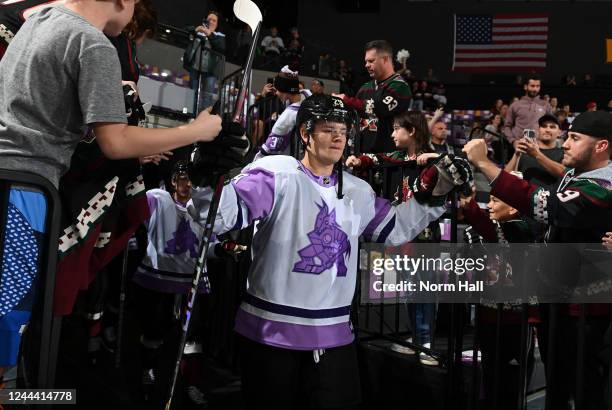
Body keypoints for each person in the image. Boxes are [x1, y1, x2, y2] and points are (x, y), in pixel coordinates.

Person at [187, 94, 471, 409]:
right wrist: (207, 182)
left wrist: (435, 194)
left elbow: (396, 230)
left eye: (343, 130)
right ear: (305, 134)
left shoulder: (357, 190)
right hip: (270, 336)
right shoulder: (275, 173)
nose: (338, 137)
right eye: (327, 129)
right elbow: (220, 217)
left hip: (334, 339)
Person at [0, 0, 222, 379]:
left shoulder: (40, 19)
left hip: (15, 184)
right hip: (25, 192)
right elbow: (115, 142)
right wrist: (196, 131)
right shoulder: (94, 43)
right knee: (7, 332)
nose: (136, 11)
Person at [463, 110, 612, 410]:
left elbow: (550, 206)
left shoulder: (604, 186)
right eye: (567, 135)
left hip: (584, 309)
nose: (565, 143)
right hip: (558, 302)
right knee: (558, 387)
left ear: (600, 146)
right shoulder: (575, 174)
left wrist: (485, 164)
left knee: (585, 390)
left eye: (574, 138)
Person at [133, 161, 245, 405]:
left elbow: (208, 247)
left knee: (192, 340)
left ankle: (191, 383)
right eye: (184, 178)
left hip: (192, 283)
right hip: (159, 280)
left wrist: (224, 249)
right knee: (154, 331)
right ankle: (148, 372)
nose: (189, 184)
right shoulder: (158, 199)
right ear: (173, 181)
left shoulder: (203, 209)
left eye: (193, 179)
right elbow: (134, 214)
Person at [333, 40, 412, 153]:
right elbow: (354, 116)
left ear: (385, 59)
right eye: (366, 61)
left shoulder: (400, 87)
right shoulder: (365, 87)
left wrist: (346, 100)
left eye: (371, 61)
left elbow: (379, 108)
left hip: (388, 159)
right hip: (360, 157)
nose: (366, 65)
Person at [255, 66, 312, 159]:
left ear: (286, 91)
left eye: (278, 90)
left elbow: (268, 149)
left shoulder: (288, 116)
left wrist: (253, 164)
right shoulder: (307, 95)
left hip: (291, 162)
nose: (276, 93)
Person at [505, 114, 565, 191]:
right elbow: (504, 178)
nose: (547, 130)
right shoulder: (525, 151)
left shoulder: (563, 153)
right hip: (523, 199)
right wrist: (516, 155)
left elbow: (565, 174)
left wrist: (537, 154)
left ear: (559, 132)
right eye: (544, 126)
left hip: (548, 200)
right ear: (538, 130)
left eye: (552, 127)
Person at [502, 75, 552, 152]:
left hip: (539, 148)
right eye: (532, 86)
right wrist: (513, 141)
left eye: (537, 86)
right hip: (519, 147)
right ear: (525, 87)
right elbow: (507, 127)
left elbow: (551, 126)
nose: (535, 89)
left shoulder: (546, 105)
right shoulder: (515, 105)